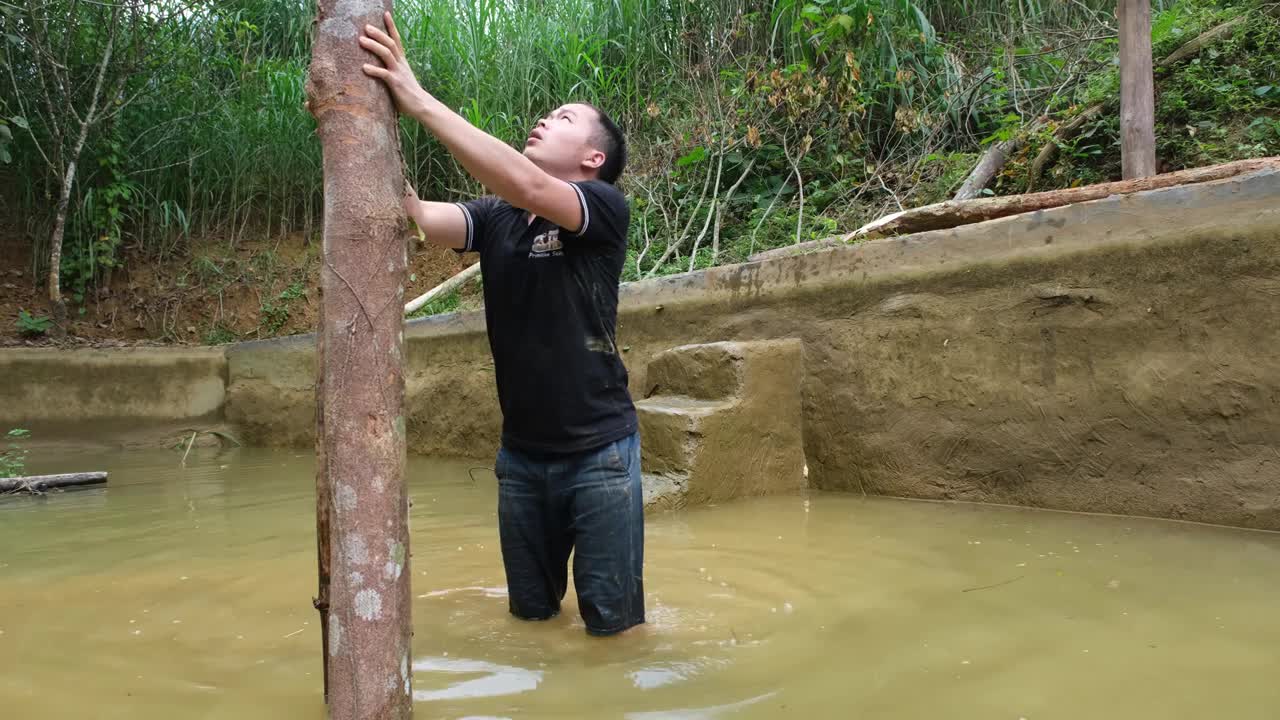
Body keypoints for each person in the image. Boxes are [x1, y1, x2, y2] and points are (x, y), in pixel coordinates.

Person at [359, 13, 644, 637]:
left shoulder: (601, 207)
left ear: (594, 157)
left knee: (614, 634)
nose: (545, 120)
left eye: (565, 118)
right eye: (548, 114)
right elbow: (417, 217)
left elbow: (525, 181)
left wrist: (419, 99)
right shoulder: (495, 218)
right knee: (531, 624)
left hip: (601, 454)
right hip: (522, 460)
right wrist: (363, 118)